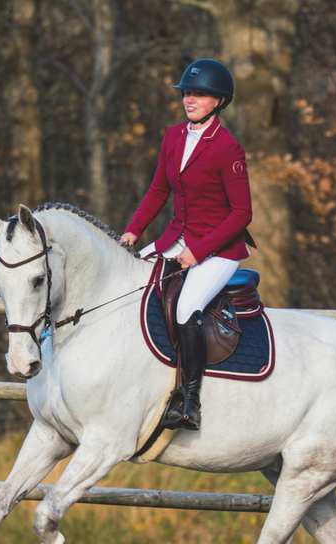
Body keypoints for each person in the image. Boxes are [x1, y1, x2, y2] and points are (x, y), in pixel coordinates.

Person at [120, 59, 254, 431]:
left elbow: (242, 214)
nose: (190, 99)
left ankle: (189, 402)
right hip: (175, 236)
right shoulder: (173, 136)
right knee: (130, 284)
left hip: (220, 248)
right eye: (187, 93)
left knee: (185, 308)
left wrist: (199, 252)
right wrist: (134, 230)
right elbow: (158, 189)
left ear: (219, 101)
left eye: (199, 94)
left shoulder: (228, 149)